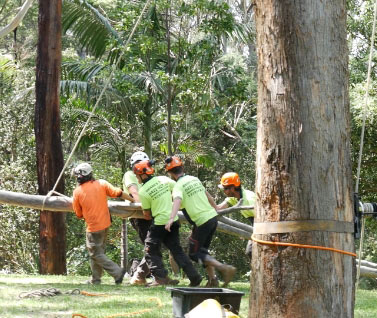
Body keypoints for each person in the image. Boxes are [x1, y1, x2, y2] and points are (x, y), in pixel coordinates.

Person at [164, 156, 236, 287]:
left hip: (202, 222)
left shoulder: (178, 186)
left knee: (194, 253)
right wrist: (216, 208)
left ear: (170, 173)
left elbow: (177, 200)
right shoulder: (194, 179)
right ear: (182, 168)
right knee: (203, 251)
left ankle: (224, 268)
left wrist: (170, 219)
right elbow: (207, 194)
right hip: (212, 218)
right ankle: (213, 280)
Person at [133, 160, 202, 287]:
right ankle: (194, 276)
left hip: (159, 223)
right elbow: (177, 189)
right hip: (173, 220)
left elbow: (147, 215)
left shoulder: (143, 191)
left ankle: (160, 278)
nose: (136, 178)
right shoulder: (164, 179)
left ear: (143, 175)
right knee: (177, 250)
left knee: (150, 249)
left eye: (137, 175)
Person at [72, 162, 135, 285]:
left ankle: (117, 272)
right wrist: (133, 200)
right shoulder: (102, 183)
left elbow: (78, 214)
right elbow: (118, 193)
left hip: (93, 227)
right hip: (105, 224)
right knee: (97, 253)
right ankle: (96, 280)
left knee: (95, 254)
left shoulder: (77, 192)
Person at [122, 151, 153, 285]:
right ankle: (139, 274)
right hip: (140, 215)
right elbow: (134, 193)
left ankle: (141, 274)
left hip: (149, 213)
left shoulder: (148, 175)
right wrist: (146, 209)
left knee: (153, 245)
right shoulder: (130, 175)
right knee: (152, 246)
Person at [217, 172, 256, 260]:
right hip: (254, 224)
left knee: (251, 251)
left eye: (225, 188)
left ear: (232, 188)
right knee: (250, 252)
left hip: (262, 224)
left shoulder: (250, 199)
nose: (224, 191)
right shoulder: (233, 198)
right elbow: (218, 208)